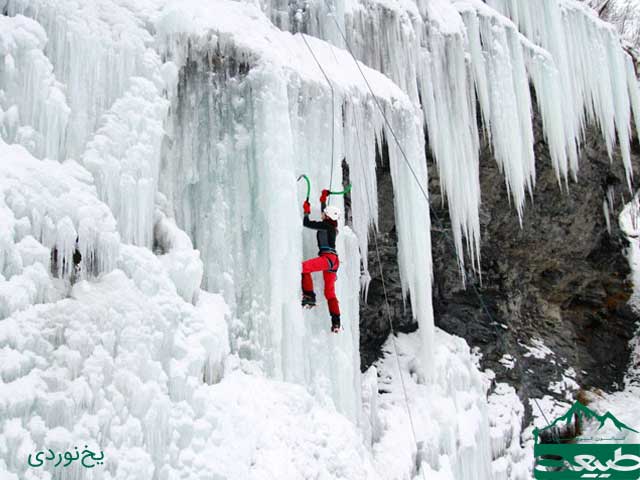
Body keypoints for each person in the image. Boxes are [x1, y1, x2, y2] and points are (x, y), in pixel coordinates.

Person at [301, 189, 341, 333]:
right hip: (334, 261)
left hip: (327, 258)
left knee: (303, 268)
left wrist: (306, 210)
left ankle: (309, 296)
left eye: (324, 214)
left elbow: (307, 223)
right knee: (330, 293)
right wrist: (323, 199)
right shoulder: (332, 226)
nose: (323, 214)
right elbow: (325, 213)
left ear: (327, 216)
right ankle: (336, 322)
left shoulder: (325, 225)